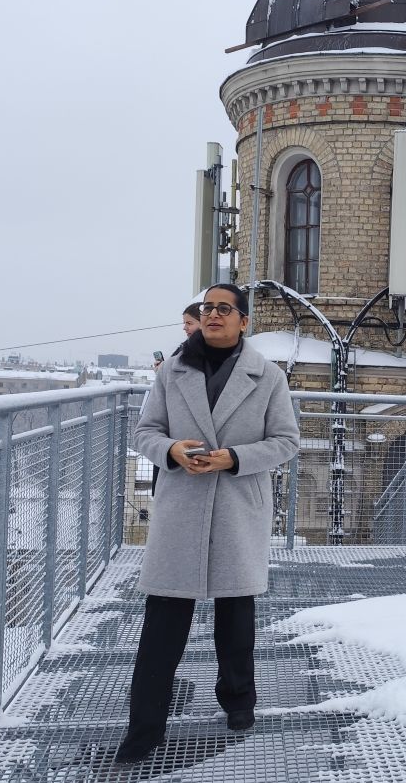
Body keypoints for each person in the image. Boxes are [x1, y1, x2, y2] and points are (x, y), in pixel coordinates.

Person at [115, 283, 299, 764]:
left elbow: (285, 441)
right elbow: (144, 432)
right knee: (163, 622)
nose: (213, 314)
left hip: (239, 505)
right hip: (182, 506)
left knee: (235, 617)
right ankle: (144, 726)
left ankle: (239, 703)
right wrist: (172, 451)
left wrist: (234, 458)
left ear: (243, 321)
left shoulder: (269, 377)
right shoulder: (173, 371)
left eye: (224, 308)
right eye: (206, 308)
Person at [149, 303, 202, 496]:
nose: (185, 328)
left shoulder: (191, 352)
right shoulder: (185, 349)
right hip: (175, 439)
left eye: (189, 323)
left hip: (183, 436)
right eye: (184, 323)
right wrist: (164, 372)